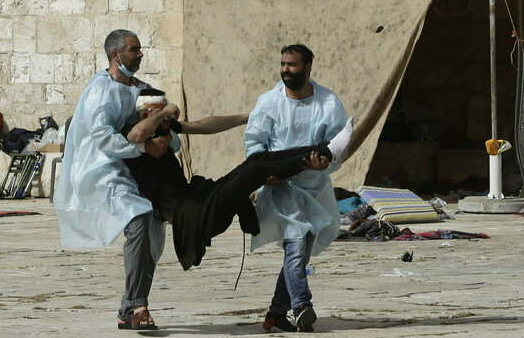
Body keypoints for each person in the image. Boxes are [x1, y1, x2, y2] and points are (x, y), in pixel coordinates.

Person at [121, 90, 353, 272]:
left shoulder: (160, 128)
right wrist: (164, 113)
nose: (168, 119)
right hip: (191, 216)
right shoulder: (133, 134)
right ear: (144, 115)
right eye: (160, 112)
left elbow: (203, 126)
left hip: (199, 199)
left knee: (256, 161)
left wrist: (248, 117)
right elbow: (142, 138)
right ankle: (325, 153)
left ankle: (326, 151)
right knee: (254, 171)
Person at [54, 29, 181, 331]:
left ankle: (129, 307)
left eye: (140, 49)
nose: (140, 54)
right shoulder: (100, 89)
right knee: (138, 216)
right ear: (115, 55)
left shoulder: (143, 90)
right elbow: (101, 136)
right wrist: (142, 147)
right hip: (101, 168)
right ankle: (140, 307)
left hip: (136, 169)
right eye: (134, 49)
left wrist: (166, 139)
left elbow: (166, 131)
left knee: (152, 228)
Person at [245, 44, 350, 333]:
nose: (285, 70)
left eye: (292, 65)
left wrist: (324, 164)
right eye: (283, 64)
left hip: (315, 188)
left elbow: (338, 145)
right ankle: (302, 305)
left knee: (301, 251)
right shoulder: (268, 102)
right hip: (282, 188)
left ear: (307, 68)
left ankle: (276, 314)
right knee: (296, 242)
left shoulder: (328, 103)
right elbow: (254, 142)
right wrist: (264, 172)